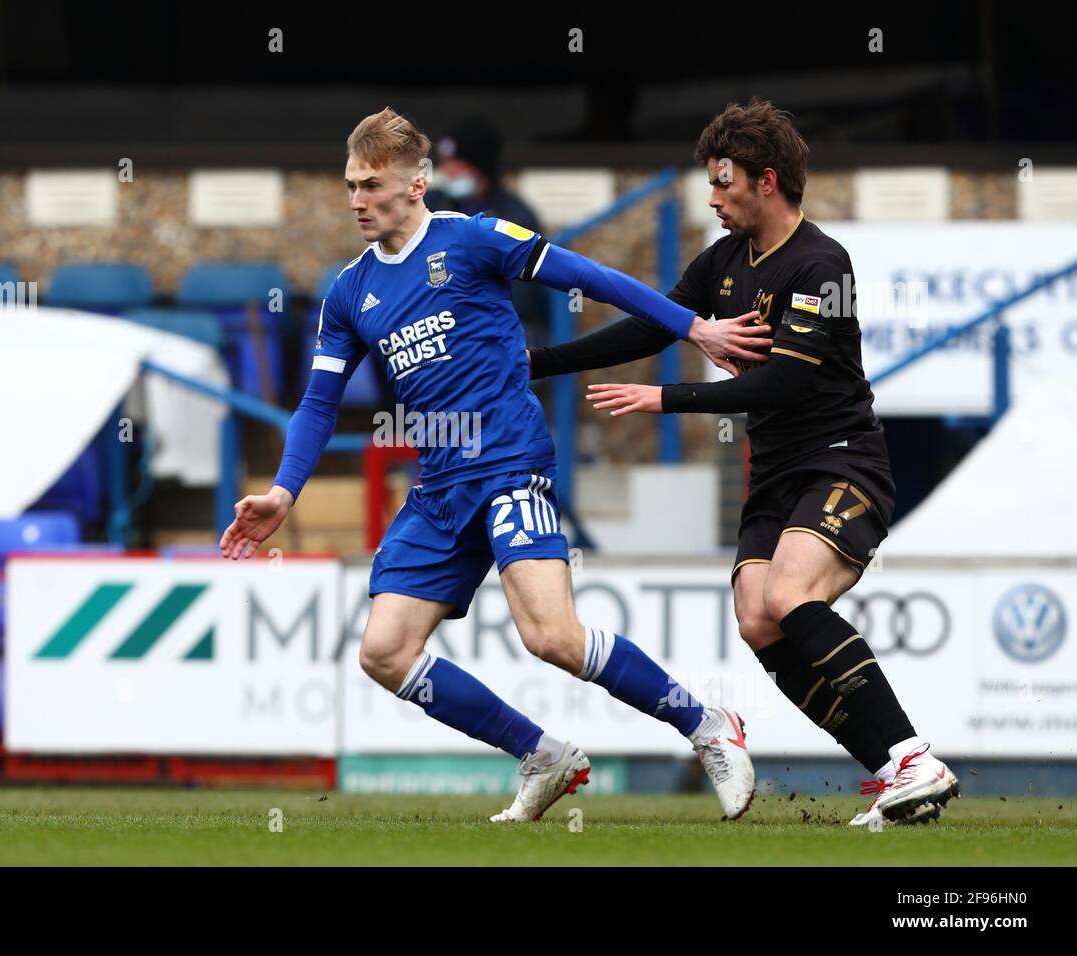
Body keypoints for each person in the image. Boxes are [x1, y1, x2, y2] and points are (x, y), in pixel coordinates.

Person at [220, 107, 771, 822]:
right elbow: (318, 404)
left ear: (417, 183)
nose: (357, 200)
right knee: (384, 652)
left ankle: (705, 725)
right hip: (439, 489)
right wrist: (285, 493)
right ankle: (542, 754)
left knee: (551, 637)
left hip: (509, 464)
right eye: (351, 185)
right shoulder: (349, 293)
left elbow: (594, 278)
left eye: (372, 184)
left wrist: (692, 327)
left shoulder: (473, 239)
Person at [527, 100, 959, 827]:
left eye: (723, 183)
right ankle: (893, 773)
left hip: (841, 462)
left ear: (767, 180)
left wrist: (664, 398)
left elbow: (783, 383)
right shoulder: (724, 260)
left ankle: (917, 757)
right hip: (776, 475)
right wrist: (537, 362)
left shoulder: (822, 264)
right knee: (759, 620)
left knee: (791, 594)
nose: (712, 197)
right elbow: (652, 325)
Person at [425, 118, 550, 350]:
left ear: (480, 166)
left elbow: (520, 296)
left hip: (506, 323)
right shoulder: (432, 204)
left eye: (457, 163)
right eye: (445, 163)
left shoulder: (514, 214)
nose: (448, 171)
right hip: (437, 322)